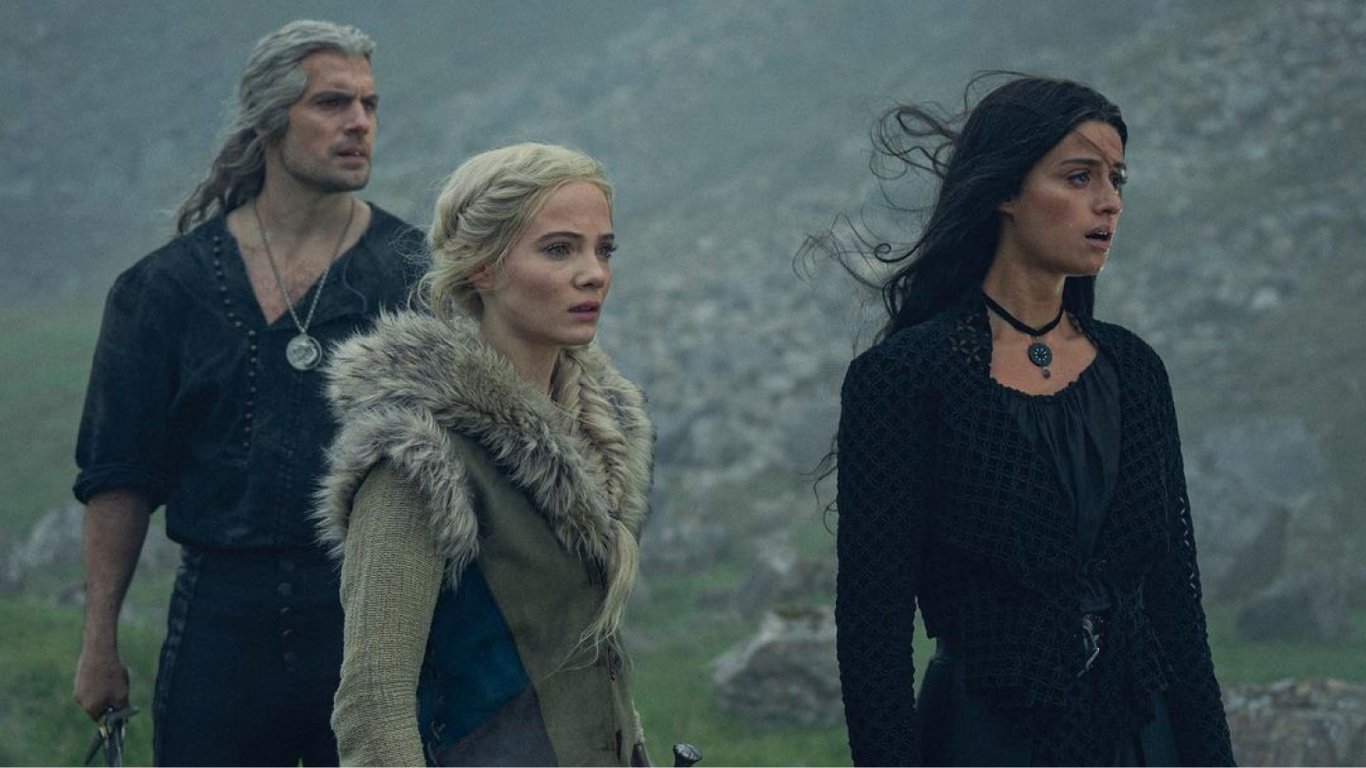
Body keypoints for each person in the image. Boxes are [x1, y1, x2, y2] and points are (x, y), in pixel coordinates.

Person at [829, 74, 1236, 765]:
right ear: (1005, 191)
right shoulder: (905, 379)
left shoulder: (1134, 371)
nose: (1109, 201)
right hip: (986, 738)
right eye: (1079, 177)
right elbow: (874, 632)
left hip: (1144, 737)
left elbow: (1176, 610)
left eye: (1116, 179)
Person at [72, 19, 422, 766]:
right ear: (268, 120)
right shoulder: (165, 289)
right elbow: (120, 475)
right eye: (332, 102)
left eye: (369, 103)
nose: (359, 122)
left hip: (368, 619)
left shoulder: (415, 277)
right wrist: (98, 644)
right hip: (218, 629)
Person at [313, 142, 654, 766]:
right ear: (482, 268)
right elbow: (373, 708)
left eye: (604, 249)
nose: (594, 273)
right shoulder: (421, 461)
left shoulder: (598, 439)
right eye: (559, 249)